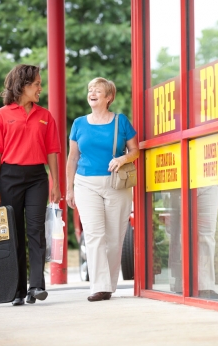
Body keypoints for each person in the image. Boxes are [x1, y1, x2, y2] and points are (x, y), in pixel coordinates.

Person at [0, 64, 61, 306]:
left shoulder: (45, 116)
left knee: (36, 231)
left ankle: (37, 286)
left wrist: (55, 183)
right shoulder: (1, 115)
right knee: (15, 234)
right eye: (37, 84)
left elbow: (52, 152)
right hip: (9, 177)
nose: (41, 87)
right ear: (23, 86)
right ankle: (17, 290)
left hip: (37, 178)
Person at [66, 77, 139, 302]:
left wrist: (123, 158)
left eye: (98, 90)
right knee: (94, 235)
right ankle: (99, 287)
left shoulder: (121, 121)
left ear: (109, 97)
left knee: (115, 237)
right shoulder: (79, 123)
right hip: (86, 184)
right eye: (90, 90)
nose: (92, 93)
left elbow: (136, 150)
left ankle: (109, 284)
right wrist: (69, 189)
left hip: (116, 184)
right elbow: (73, 157)